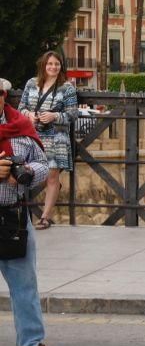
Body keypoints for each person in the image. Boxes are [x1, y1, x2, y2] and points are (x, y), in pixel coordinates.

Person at [0, 77, 57, 346]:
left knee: (25, 283)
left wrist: (24, 172)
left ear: (4, 96)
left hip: (14, 215)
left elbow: (43, 164)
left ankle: (31, 344)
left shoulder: (21, 127)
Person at [18, 51, 77, 230]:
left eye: (57, 64)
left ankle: (45, 217)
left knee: (52, 175)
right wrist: (30, 115)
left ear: (61, 66)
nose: (53, 67)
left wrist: (54, 116)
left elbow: (73, 114)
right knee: (30, 173)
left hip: (56, 138)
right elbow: (21, 107)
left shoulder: (67, 88)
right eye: (50, 64)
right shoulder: (31, 83)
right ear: (43, 65)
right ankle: (52, 187)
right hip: (33, 137)